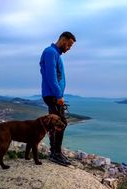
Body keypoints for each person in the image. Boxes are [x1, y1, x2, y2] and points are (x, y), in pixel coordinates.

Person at [40, 31, 76, 166]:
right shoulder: (51, 52)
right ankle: (55, 154)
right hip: (53, 95)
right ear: (63, 39)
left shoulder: (55, 54)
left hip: (53, 95)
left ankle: (55, 152)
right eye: (69, 45)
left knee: (55, 124)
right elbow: (50, 76)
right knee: (61, 123)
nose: (69, 48)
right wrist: (58, 95)